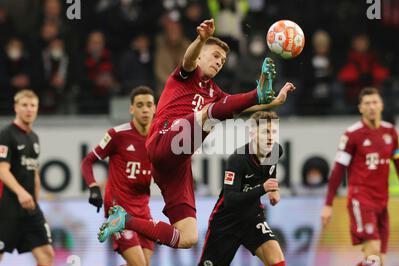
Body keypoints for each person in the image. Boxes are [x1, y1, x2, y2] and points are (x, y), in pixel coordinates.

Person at [97, 19, 295, 252]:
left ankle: (124, 220)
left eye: (222, 60)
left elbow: (235, 107)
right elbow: (189, 60)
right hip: (164, 139)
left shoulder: (215, 92)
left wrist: (275, 100)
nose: (219, 62)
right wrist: (201, 39)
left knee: (188, 237)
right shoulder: (185, 75)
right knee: (209, 117)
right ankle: (256, 93)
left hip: (177, 165)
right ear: (201, 55)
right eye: (214, 56)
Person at [320, 87, 399, 266]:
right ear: (360, 108)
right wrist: (328, 204)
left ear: (381, 105)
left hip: (382, 202)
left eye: (375, 102)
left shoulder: (390, 133)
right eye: (367, 103)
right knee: (372, 250)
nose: (372, 107)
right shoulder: (352, 135)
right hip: (360, 199)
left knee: (377, 259)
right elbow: (338, 169)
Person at [198, 111, 285, 266]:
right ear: (252, 134)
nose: (270, 137)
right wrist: (263, 188)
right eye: (265, 132)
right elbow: (230, 200)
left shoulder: (276, 150)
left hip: (252, 218)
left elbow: (270, 173)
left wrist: (274, 189)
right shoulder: (238, 159)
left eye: (273, 132)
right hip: (226, 222)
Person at [81, 86, 156, 266]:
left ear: (155, 108)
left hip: (143, 210)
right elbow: (88, 161)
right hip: (119, 211)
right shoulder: (117, 135)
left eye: (149, 105)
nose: (145, 109)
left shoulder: (158, 138)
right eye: (140, 105)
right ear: (131, 109)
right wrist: (93, 187)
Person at [0, 89, 54, 266]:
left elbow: (34, 173)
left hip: (30, 210)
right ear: (16, 107)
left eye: (33, 105)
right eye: (24, 105)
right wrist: (21, 193)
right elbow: (2, 170)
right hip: (6, 208)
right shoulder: (6, 134)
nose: (29, 109)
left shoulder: (34, 138)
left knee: (46, 254)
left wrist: (36, 201)